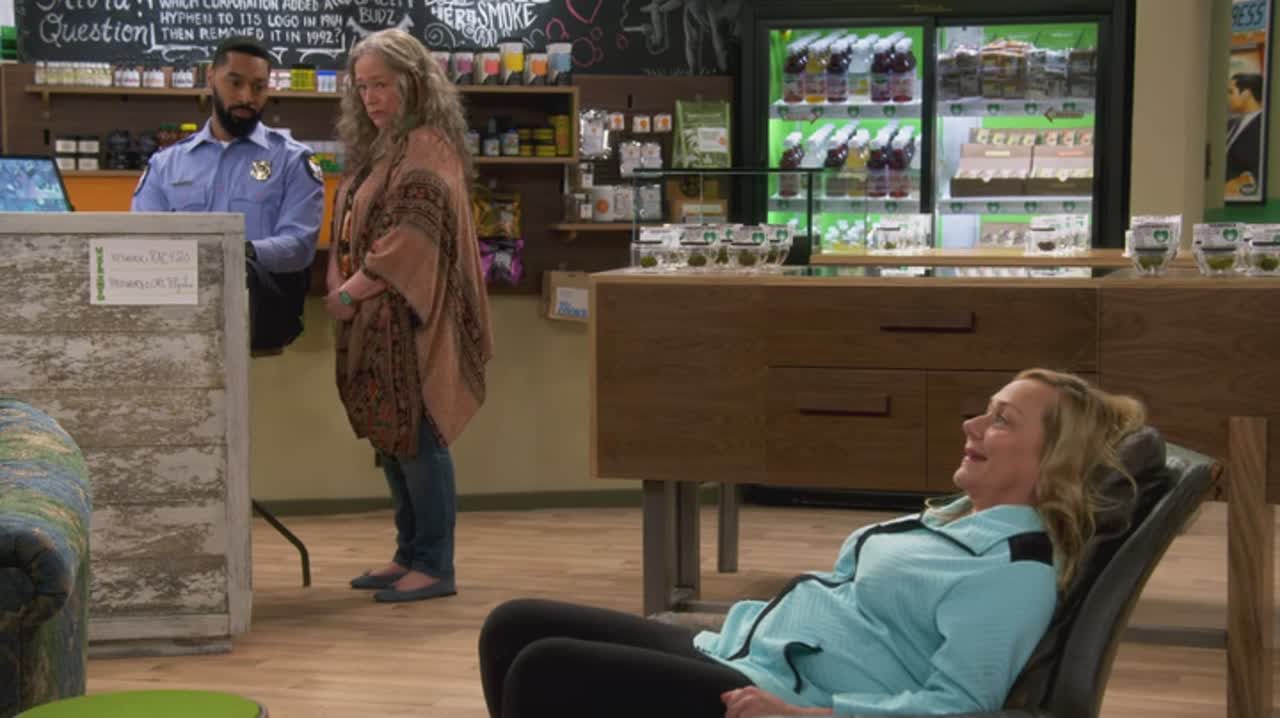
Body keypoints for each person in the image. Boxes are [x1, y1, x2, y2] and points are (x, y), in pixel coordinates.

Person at [478, 369, 1146, 718]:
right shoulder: (957, 521)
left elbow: (960, 707)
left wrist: (813, 715)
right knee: (515, 625)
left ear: (1051, 462)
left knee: (546, 669)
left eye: (1001, 421)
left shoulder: (1012, 572)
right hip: (750, 649)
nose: (972, 424)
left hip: (777, 694)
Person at [327, 29, 493, 604]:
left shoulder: (427, 145)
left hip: (415, 324)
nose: (370, 97)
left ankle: (434, 564)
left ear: (414, 84)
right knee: (394, 440)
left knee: (421, 439)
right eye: (362, 86)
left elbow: (411, 237)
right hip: (378, 323)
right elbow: (350, 222)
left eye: (382, 84)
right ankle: (408, 553)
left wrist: (349, 292)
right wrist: (341, 282)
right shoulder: (385, 146)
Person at [131, 35, 324, 276]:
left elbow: (299, 245)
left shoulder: (293, 161)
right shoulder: (164, 165)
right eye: (235, 83)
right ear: (211, 77)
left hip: (261, 297)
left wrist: (235, 253)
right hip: (178, 294)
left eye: (258, 87)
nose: (246, 97)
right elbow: (142, 239)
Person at [1226, 72, 1264, 199]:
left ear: (1246, 94)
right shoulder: (1230, 124)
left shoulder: (1263, 127)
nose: (1227, 98)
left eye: (1230, 92)